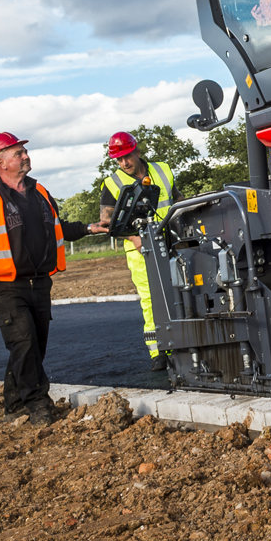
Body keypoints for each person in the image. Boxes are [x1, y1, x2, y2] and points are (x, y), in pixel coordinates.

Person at [0, 133, 108, 425]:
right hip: (3, 285)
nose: (25, 156)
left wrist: (89, 227)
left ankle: (14, 403)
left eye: (24, 151)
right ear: (1, 162)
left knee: (33, 346)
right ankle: (38, 405)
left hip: (39, 282)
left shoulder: (41, 193)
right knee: (23, 342)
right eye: (18, 153)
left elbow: (57, 229)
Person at [99, 132, 182, 370]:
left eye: (126, 156)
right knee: (150, 299)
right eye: (118, 159)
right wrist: (134, 236)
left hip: (172, 241)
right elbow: (106, 223)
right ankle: (158, 352)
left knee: (181, 291)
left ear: (137, 151)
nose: (124, 163)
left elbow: (177, 198)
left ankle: (183, 341)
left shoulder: (163, 170)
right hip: (140, 252)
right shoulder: (112, 183)